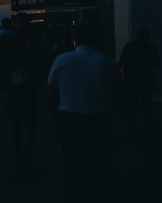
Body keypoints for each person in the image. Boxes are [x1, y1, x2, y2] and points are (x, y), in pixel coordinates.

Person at [46, 19, 119, 203]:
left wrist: (57, 122)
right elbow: (118, 95)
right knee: (101, 174)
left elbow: (50, 97)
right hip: (98, 122)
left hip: (69, 121)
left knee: (74, 175)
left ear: (75, 38)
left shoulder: (62, 60)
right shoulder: (108, 63)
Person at [0, 13, 38, 165]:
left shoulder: (31, 40)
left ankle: (28, 150)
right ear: (14, 23)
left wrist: (28, 42)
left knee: (31, 125)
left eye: (23, 23)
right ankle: (19, 154)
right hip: (12, 85)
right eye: (18, 22)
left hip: (28, 86)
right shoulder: (6, 40)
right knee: (15, 124)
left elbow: (36, 62)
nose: (20, 25)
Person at [118, 28, 159, 141]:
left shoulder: (130, 46)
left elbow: (122, 61)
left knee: (133, 106)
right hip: (146, 80)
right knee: (147, 105)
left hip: (131, 80)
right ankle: (148, 127)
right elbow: (156, 62)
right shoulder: (149, 47)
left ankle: (135, 129)